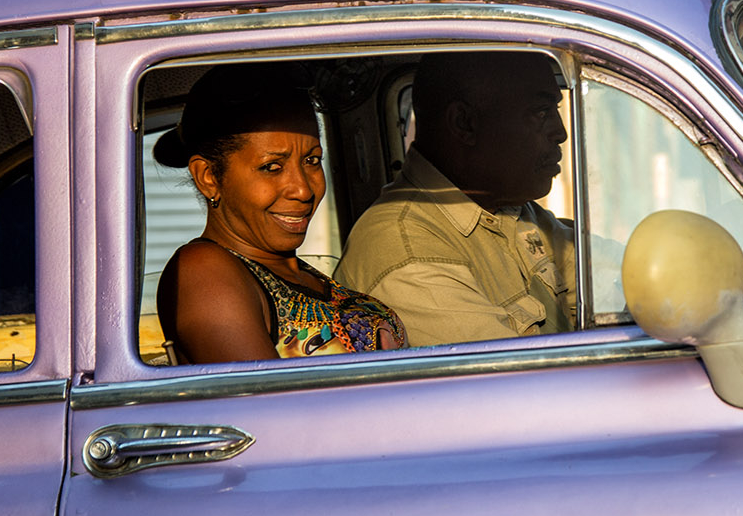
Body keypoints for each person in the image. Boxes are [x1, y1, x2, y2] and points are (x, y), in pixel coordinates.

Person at [154, 64, 405, 363]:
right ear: (208, 176)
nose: (303, 189)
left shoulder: (293, 271)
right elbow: (266, 408)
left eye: (312, 160)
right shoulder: (204, 272)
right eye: (272, 167)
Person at [337, 51, 575, 346]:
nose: (560, 133)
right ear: (465, 123)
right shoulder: (408, 252)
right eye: (541, 112)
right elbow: (517, 383)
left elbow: (608, 280)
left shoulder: (508, 208)